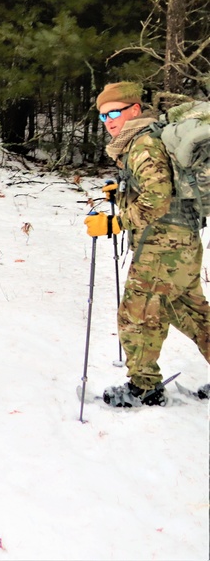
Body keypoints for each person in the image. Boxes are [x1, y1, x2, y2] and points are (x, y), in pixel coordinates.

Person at [85, 81, 210, 406]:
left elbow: (157, 201)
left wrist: (115, 222)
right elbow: (157, 188)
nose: (109, 121)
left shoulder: (143, 144)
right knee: (192, 314)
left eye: (114, 112)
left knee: (136, 316)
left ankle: (144, 388)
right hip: (182, 245)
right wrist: (124, 192)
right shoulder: (147, 140)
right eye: (103, 116)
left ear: (135, 110)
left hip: (162, 247)